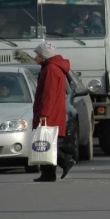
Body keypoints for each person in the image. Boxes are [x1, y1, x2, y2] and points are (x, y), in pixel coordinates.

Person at [31, 42, 76, 182]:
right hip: (52, 111)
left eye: (37, 54)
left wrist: (44, 113)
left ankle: (66, 161)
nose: (35, 57)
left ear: (44, 56)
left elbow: (48, 94)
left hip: (50, 112)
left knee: (47, 142)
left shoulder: (50, 69)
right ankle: (48, 173)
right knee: (45, 141)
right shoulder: (51, 67)